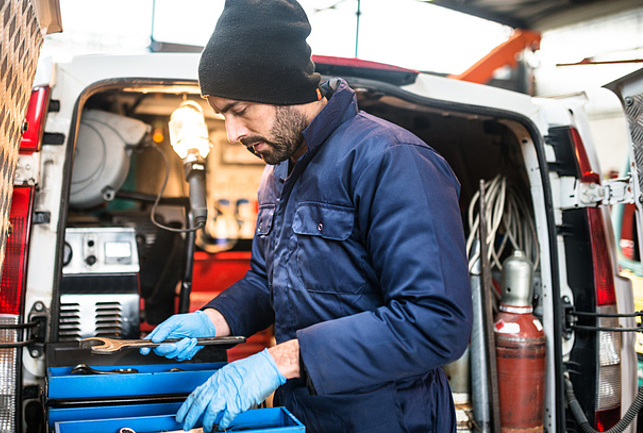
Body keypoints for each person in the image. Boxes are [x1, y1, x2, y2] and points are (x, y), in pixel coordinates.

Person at [140, 0, 473, 431]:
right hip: (302, 414)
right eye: (222, 114)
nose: (233, 132)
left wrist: (278, 362)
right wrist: (213, 320)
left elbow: (436, 320)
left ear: (284, 88)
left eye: (240, 110)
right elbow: (267, 281)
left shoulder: (391, 160)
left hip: (388, 418)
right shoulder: (278, 172)